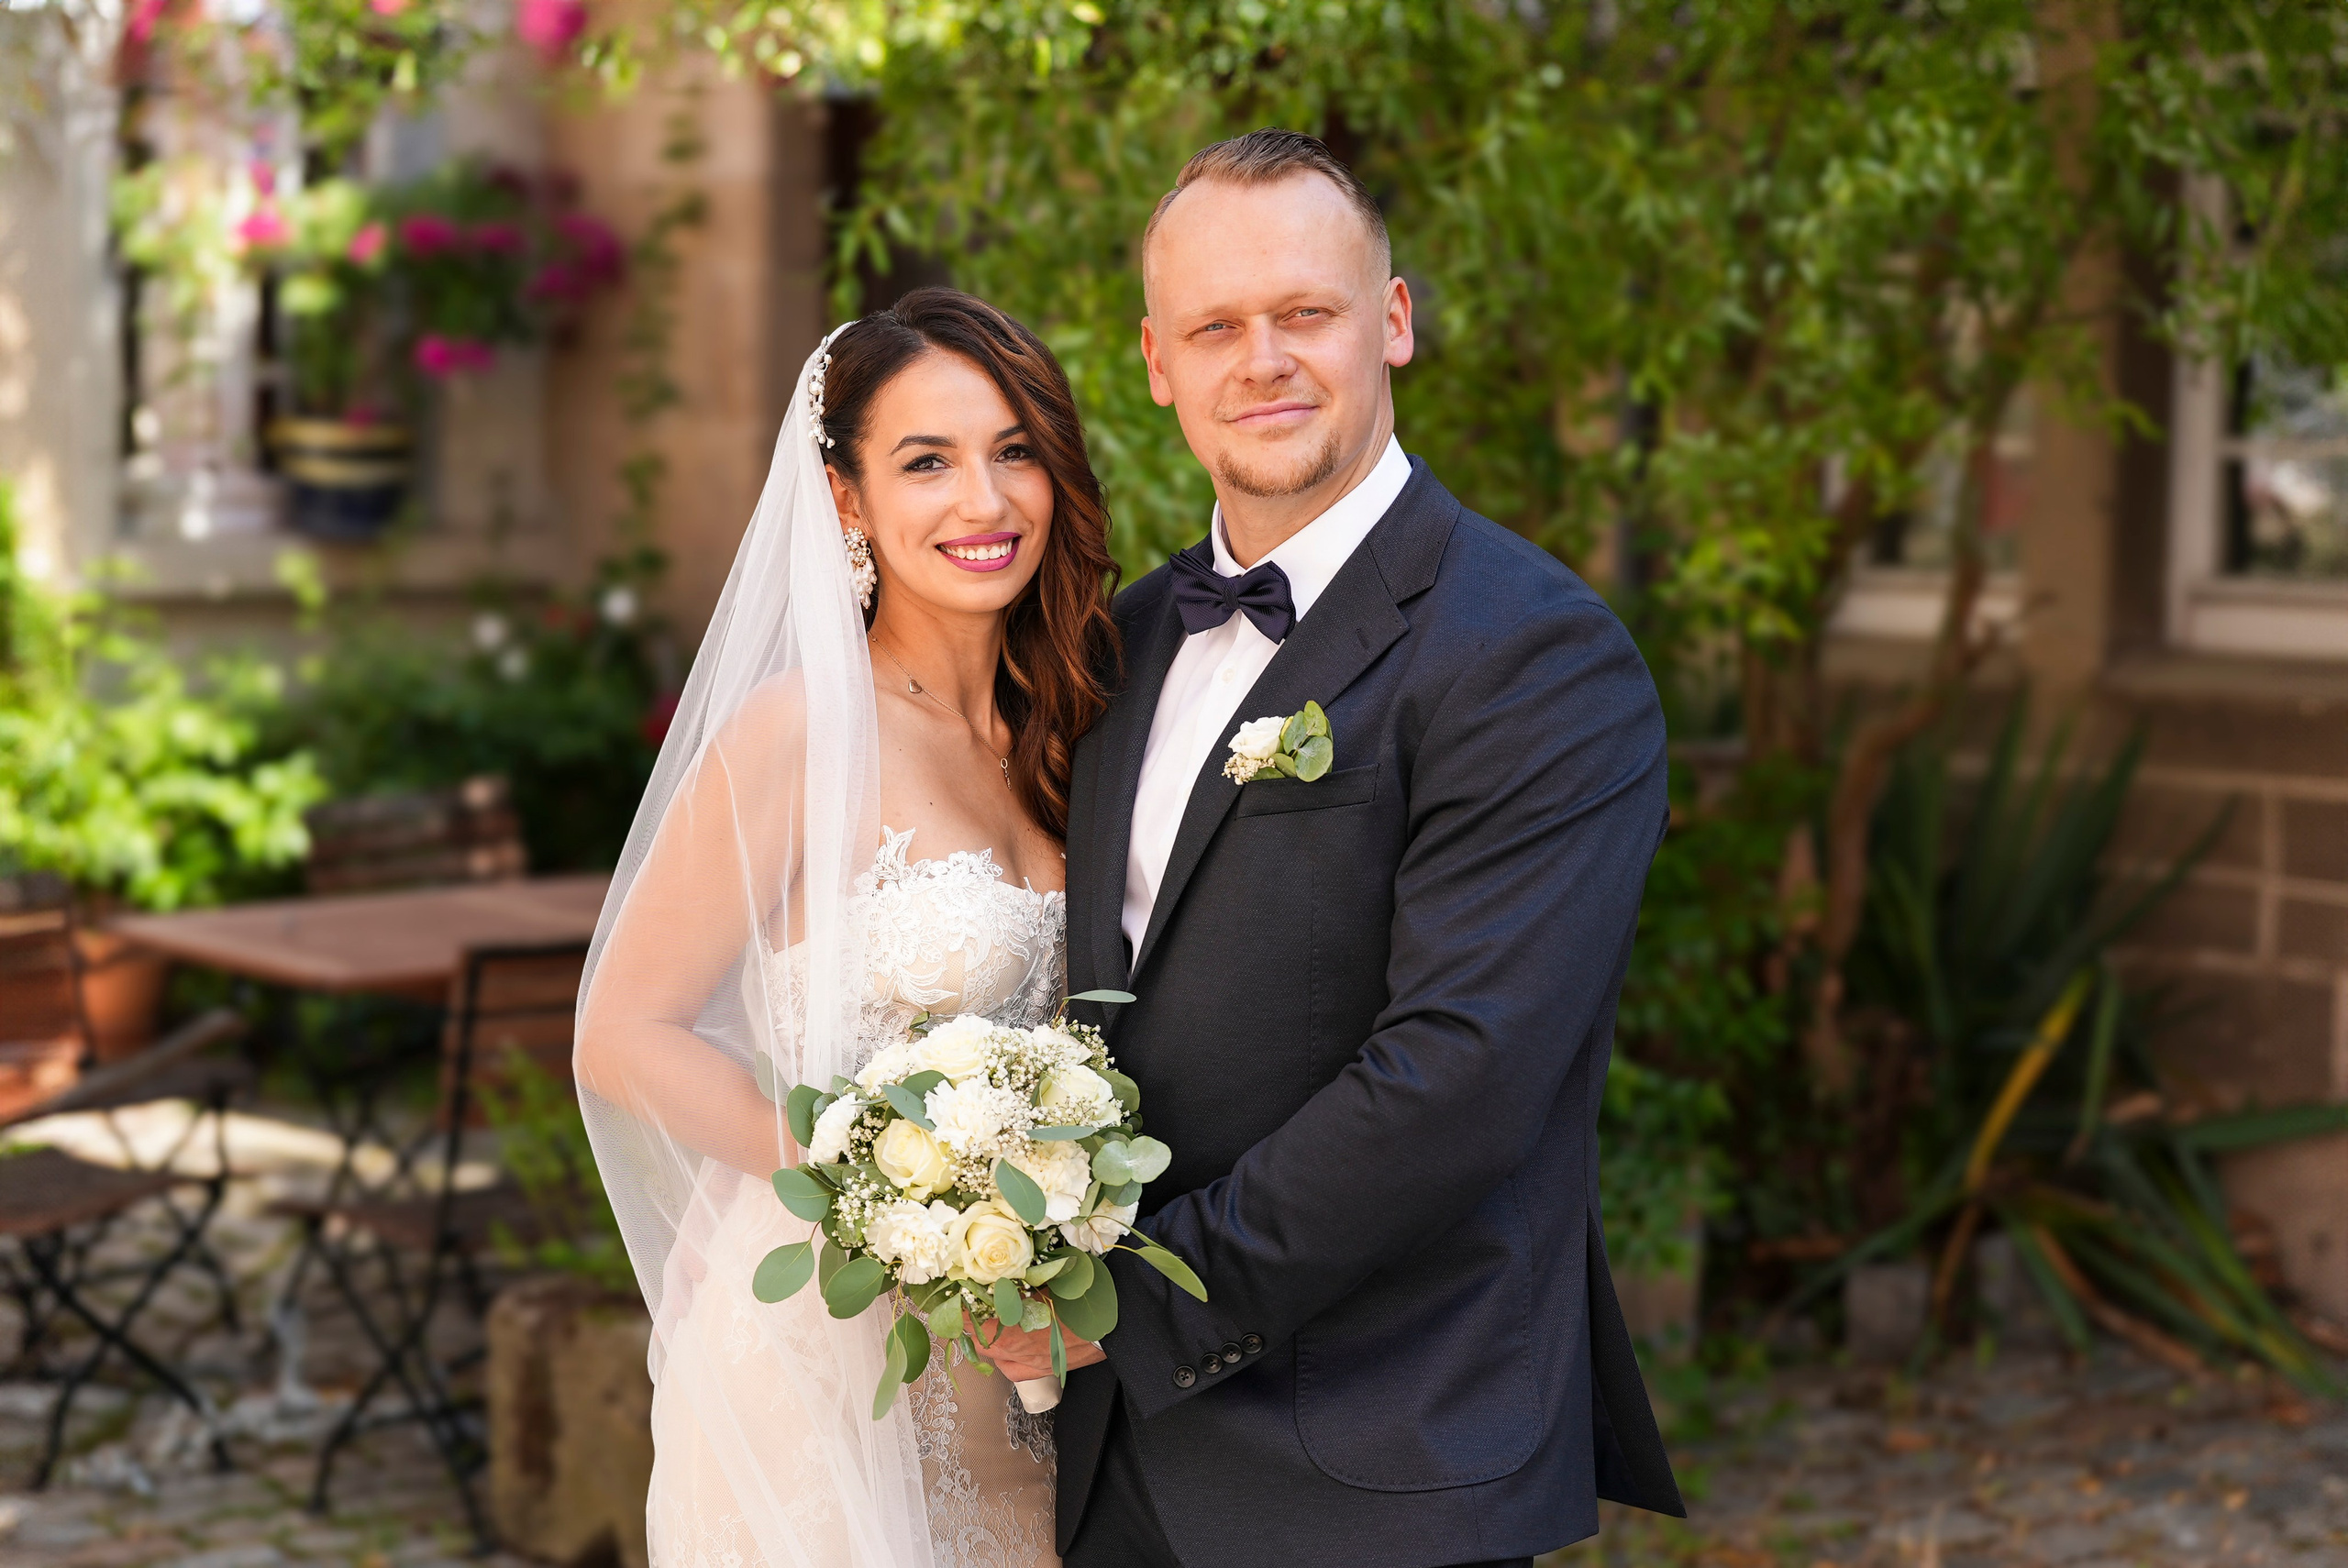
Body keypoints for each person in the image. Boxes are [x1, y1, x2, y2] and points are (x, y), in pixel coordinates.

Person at [1025, 127, 1688, 1568]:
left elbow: (1456, 1079)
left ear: (1392, 322)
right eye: (1215, 326)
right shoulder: (1122, 642)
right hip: (1104, 1468)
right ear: (1157, 362)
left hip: (1377, 1458)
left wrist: (1123, 1305)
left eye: (1304, 313)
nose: (1259, 359)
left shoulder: (1534, 653)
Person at [575, 288, 1119, 1568]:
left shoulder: (1079, 726)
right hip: (817, 1346)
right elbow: (624, 1031)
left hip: (1017, 1352)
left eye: (1015, 450)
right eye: (925, 461)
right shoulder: (802, 729)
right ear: (847, 501)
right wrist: (877, 1192)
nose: (982, 502)